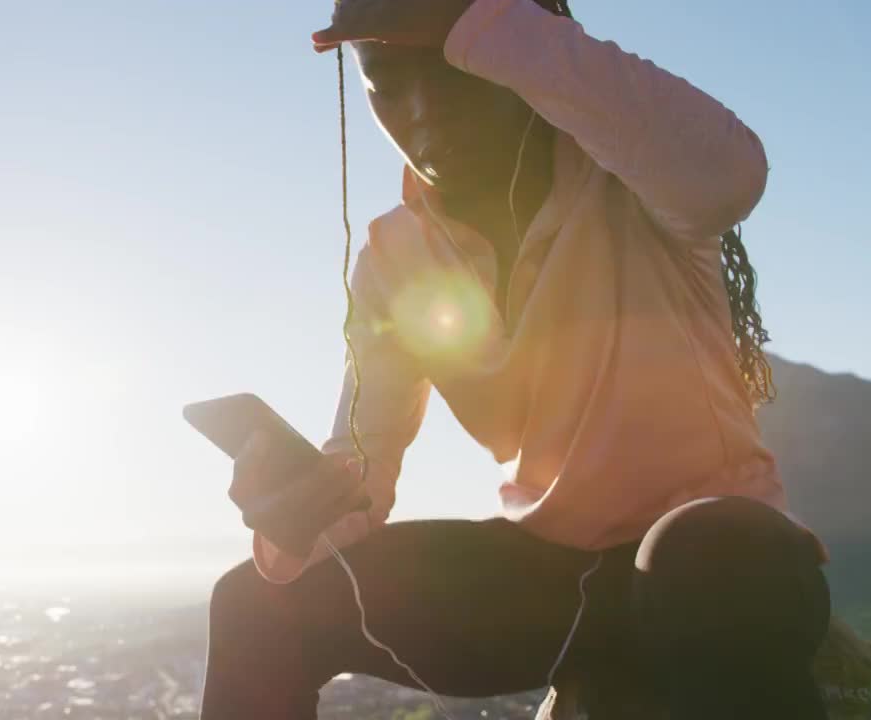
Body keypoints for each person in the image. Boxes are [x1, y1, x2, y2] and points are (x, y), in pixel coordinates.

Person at [199, 1, 833, 718]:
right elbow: (364, 471)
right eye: (383, 79)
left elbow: (730, 174)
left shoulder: (634, 181)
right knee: (252, 604)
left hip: (722, 578)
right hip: (549, 591)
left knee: (707, 548)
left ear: (510, 49)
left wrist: (481, 20)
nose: (420, 109)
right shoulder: (393, 259)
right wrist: (292, 528)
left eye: (453, 67)